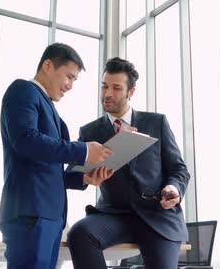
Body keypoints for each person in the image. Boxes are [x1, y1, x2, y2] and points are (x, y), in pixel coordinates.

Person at [0, 43, 115, 269]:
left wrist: (82, 178)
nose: (70, 86)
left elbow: (46, 167)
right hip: (31, 213)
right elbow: (26, 141)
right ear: (48, 66)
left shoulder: (48, 107)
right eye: (68, 76)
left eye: (74, 80)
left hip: (48, 217)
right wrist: (84, 150)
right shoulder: (23, 90)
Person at [67, 57, 190, 269]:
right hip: (114, 216)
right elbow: (71, 173)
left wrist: (173, 188)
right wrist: (86, 177)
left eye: (116, 88)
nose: (107, 93)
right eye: (104, 86)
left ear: (130, 92)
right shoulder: (90, 131)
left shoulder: (156, 123)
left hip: (157, 215)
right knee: (80, 233)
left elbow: (179, 169)